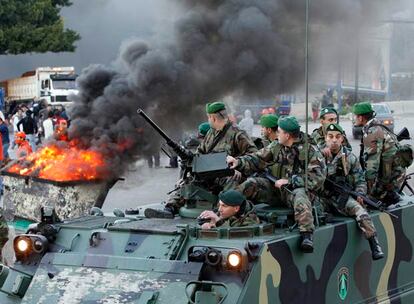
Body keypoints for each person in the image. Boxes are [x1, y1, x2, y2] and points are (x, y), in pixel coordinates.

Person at [227, 116, 326, 253]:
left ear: (287, 135)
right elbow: (257, 158)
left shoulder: (311, 151)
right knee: (251, 183)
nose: (277, 133)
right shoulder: (277, 145)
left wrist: (291, 181)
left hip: (295, 193)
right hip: (276, 190)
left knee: (300, 195)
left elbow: (318, 178)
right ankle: (225, 214)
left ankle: (306, 235)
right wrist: (239, 162)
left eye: (279, 131)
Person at [145, 101, 257, 219]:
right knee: (189, 181)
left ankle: (218, 214)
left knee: (231, 180)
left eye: (208, 118)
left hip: (228, 174)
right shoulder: (210, 133)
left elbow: (253, 154)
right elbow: (200, 153)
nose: (208, 120)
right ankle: (170, 208)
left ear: (213, 118)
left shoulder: (237, 134)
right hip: (210, 173)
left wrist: (238, 165)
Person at [320, 123, 384, 260]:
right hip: (321, 197)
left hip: (341, 197)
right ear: (325, 138)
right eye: (330, 136)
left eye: (337, 137)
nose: (334, 140)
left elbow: (360, 179)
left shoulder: (350, 158)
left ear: (342, 139)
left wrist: (360, 193)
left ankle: (374, 244)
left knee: (359, 209)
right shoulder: (318, 155)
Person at [353, 102, 406, 204]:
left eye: (355, 116)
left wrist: (368, 193)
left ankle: (388, 194)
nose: (354, 118)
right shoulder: (378, 125)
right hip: (396, 174)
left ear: (360, 118)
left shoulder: (372, 132)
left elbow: (371, 167)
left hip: (392, 180)